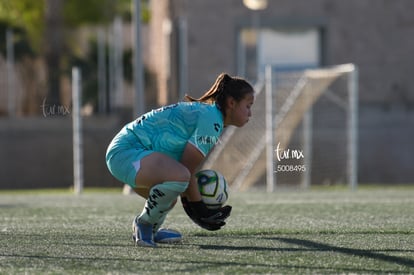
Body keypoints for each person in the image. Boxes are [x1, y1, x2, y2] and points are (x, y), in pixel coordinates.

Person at [105, 73, 255, 247]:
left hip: (126, 152)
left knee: (169, 195)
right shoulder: (212, 121)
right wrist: (200, 209)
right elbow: (186, 169)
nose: (250, 113)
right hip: (126, 152)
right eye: (248, 106)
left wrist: (194, 203)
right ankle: (144, 224)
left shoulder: (210, 115)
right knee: (179, 177)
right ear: (231, 103)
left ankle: (151, 230)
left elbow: (183, 173)